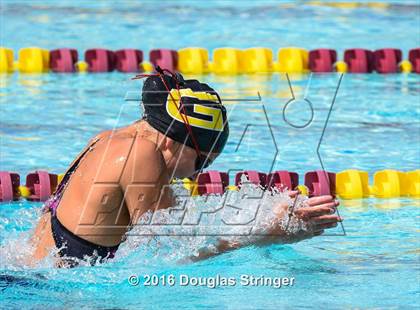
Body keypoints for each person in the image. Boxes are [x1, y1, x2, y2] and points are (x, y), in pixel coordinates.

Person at [30, 69, 341, 267]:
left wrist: (262, 213)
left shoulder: (107, 140)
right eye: (201, 162)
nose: (196, 175)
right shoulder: (142, 154)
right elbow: (164, 258)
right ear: (174, 142)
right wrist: (268, 234)